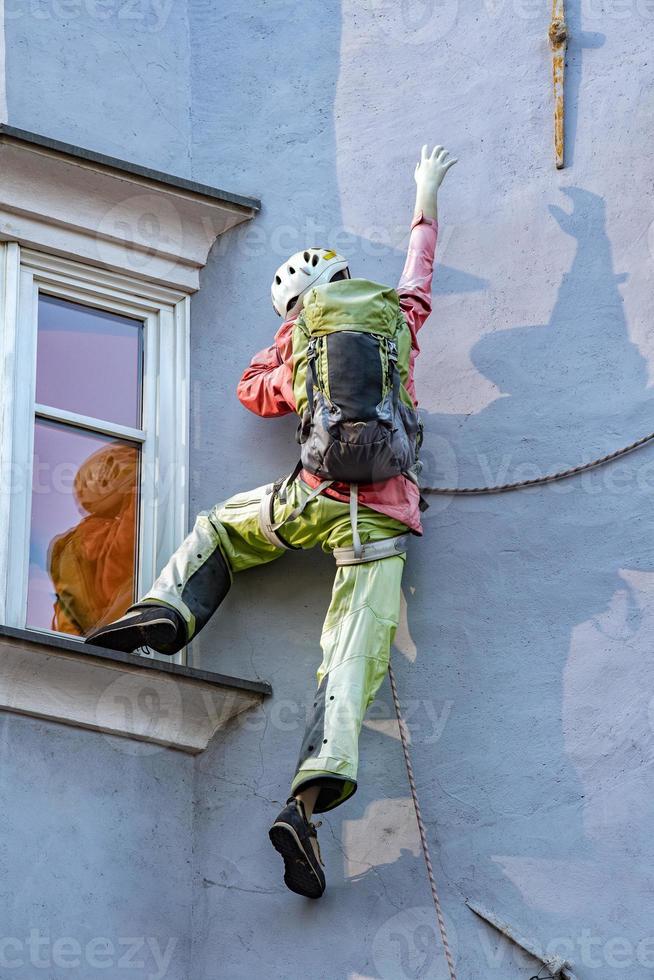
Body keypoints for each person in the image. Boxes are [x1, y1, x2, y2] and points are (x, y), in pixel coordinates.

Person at [85, 144, 457, 899]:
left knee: (222, 527)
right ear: (346, 282)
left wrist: (290, 359)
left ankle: (165, 611)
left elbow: (252, 393)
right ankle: (303, 806)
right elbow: (420, 274)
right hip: (380, 529)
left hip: (310, 501)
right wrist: (423, 194)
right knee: (349, 667)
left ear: (295, 307)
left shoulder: (296, 343)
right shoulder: (394, 322)